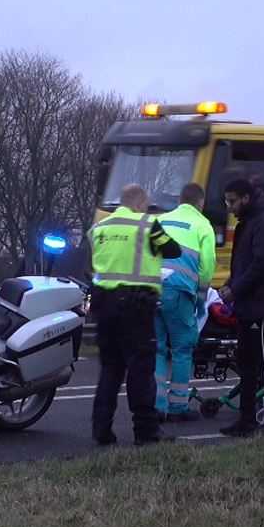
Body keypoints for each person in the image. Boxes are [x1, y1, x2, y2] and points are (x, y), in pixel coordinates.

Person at [88, 182, 182, 446]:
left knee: (110, 369)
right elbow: (172, 250)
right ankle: (146, 431)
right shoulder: (147, 224)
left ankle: (101, 428)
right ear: (141, 202)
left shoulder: (99, 228)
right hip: (136, 307)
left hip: (103, 305)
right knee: (141, 371)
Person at [219, 177, 264, 435]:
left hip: (262, 305)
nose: (229, 206)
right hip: (248, 305)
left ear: (246, 198)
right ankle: (247, 420)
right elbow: (244, 265)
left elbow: (263, 264)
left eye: (232, 201)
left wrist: (236, 290)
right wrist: (229, 285)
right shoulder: (248, 222)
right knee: (246, 364)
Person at [154, 182, 217, 422]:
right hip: (178, 292)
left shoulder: (161, 220)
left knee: (157, 349)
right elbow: (207, 266)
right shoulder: (203, 225)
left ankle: (157, 405)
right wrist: (201, 299)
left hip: (153, 290)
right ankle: (178, 408)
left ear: (180, 200)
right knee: (181, 349)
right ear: (200, 203)